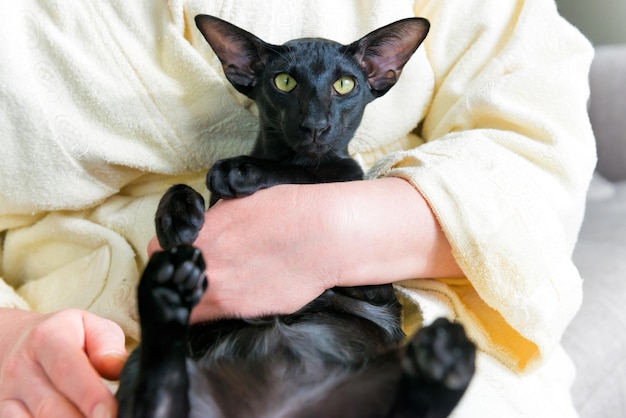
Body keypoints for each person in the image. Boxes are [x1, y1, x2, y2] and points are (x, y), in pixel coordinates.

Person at [0, 0, 595, 417]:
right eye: (286, 86)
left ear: (382, 74)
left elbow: (538, 150)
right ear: (242, 71)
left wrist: (344, 229)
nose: (314, 117)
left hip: (376, 312)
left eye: (342, 89)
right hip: (81, 337)